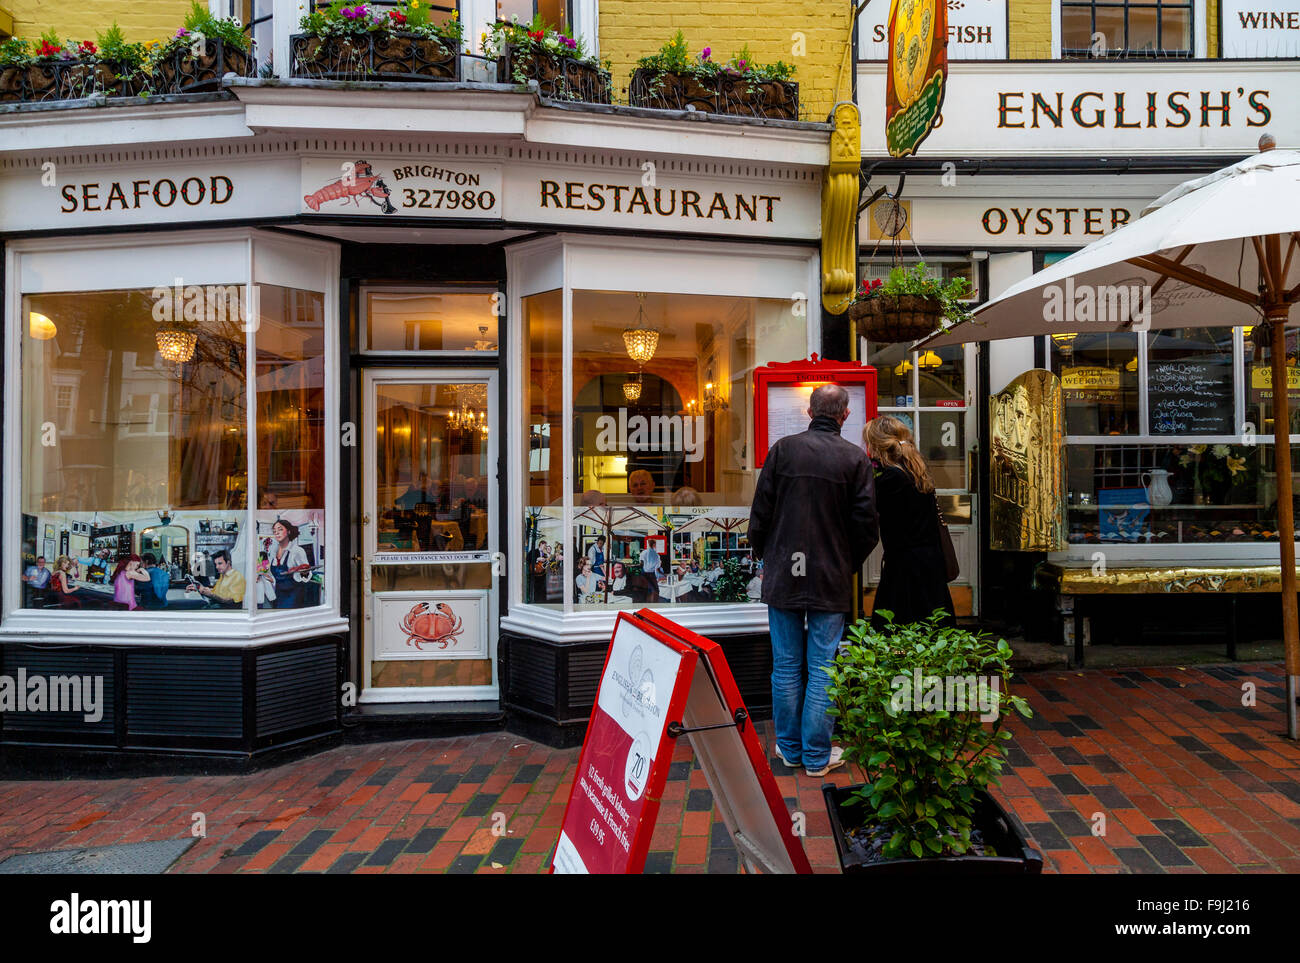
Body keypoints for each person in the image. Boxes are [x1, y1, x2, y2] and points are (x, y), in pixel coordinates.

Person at [749, 382, 878, 778]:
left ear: (809, 412)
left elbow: (761, 515)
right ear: (845, 415)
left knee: (786, 665)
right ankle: (817, 756)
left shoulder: (783, 451)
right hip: (830, 575)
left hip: (785, 572)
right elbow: (866, 527)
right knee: (824, 667)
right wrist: (846, 563)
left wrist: (766, 556)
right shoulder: (855, 459)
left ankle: (790, 749)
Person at [865, 415, 956, 628]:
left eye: (869, 442)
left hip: (905, 568)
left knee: (897, 627)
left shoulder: (890, 479)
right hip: (929, 563)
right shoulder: (916, 470)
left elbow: (869, 514)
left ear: (878, 446)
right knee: (932, 627)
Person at [263, 518, 312, 608]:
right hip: (277, 595)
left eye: (280, 529)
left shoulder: (297, 551)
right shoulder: (273, 551)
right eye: (274, 531)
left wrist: (304, 572)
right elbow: (277, 576)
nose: (276, 533)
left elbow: (307, 575)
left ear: (289, 531)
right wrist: (270, 579)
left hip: (293, 596)